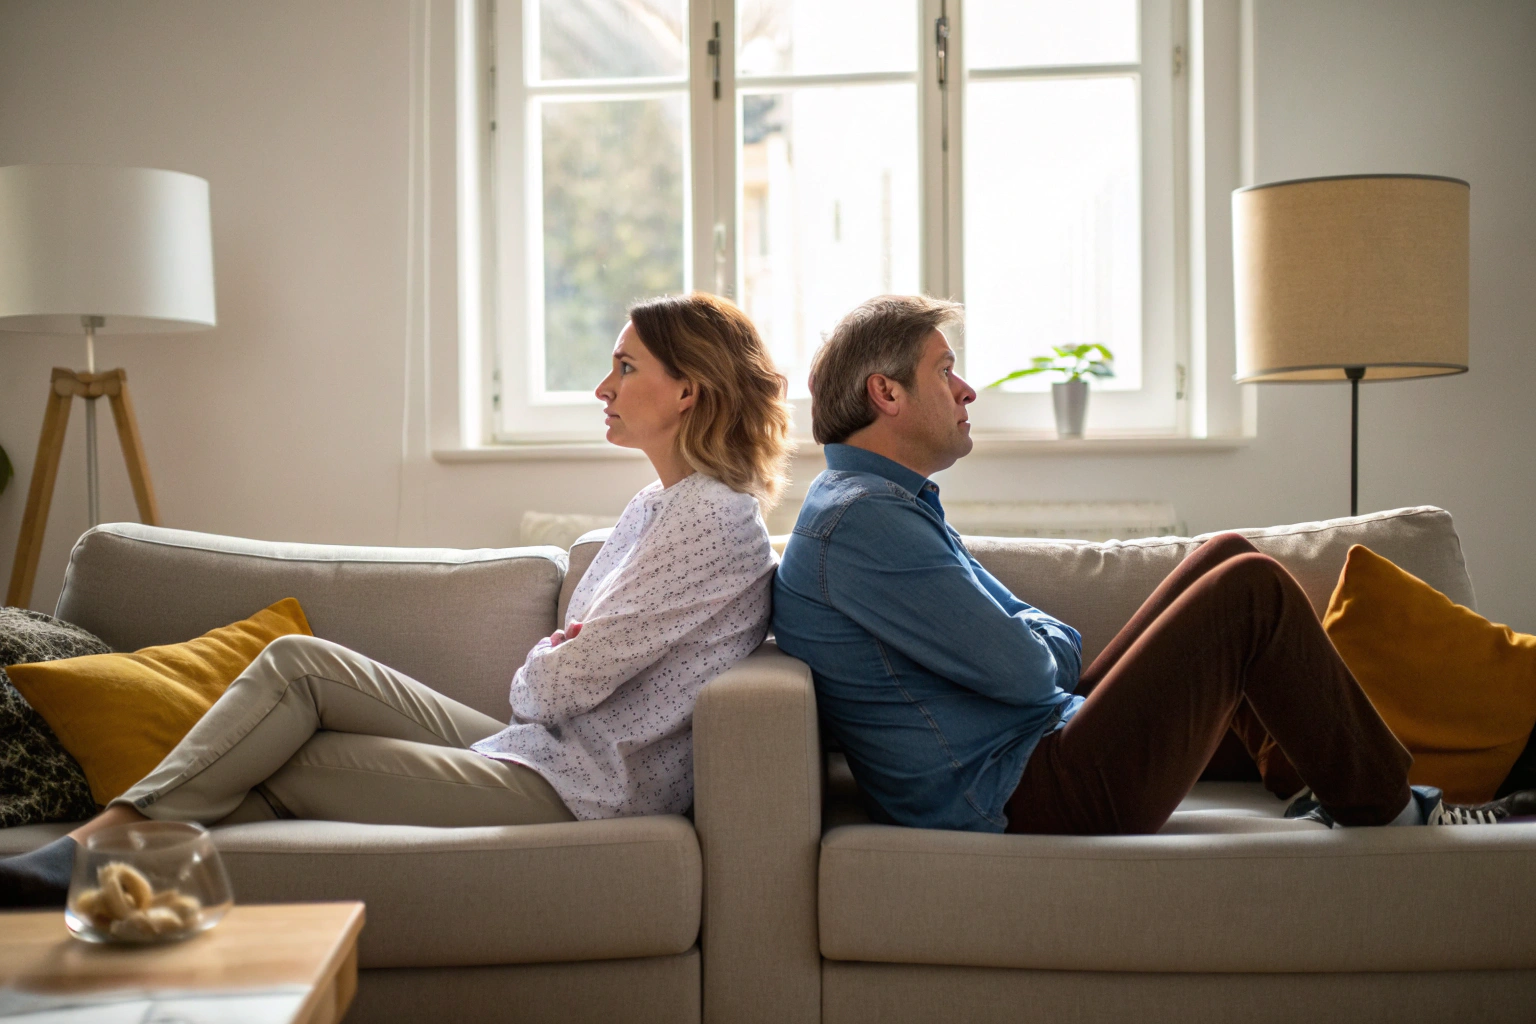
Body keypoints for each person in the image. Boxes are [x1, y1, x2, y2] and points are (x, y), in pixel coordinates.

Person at [3, 292, 791, 906]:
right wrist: (558, 656)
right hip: (547, 749)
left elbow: (559, 682)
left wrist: (554, 660)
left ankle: (90, 855)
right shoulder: (657, 505)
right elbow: (560, 675)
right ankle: (103, 853)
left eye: (626, 368)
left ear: (688, 389)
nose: (602, 386)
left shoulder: (712, 521)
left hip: (583, 791)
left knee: (290, 759)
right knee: (299, 666)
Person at [772, 294, 1535, 836]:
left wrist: (1041, 651)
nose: (968, 389)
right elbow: (1032, 669)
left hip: (1035, 750)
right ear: (886, 392)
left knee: (1223, 557)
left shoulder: (884, 502)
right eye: (946, 370)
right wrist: (1041, 652)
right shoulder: (861, 521)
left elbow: (1044, 649)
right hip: (1022, 793)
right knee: (1250, 590)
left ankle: (1329, 781)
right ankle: (1391, 808)